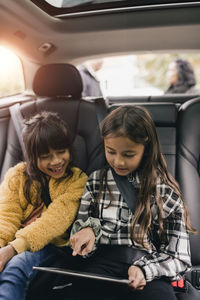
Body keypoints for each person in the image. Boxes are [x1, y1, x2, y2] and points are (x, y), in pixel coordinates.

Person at [68, 105, 196, 300]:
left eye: (128, 155)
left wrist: (144, 269)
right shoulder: (96, 182)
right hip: (103, 265)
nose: (118, 162)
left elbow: (178, 256)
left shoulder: (164, 193)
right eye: (111, 151)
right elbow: (80, 244)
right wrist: (86, 234)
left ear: (146, 150)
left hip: (151, 267)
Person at [0, 111, 87, 300]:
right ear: (32, 157)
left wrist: (11, 249)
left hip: (52, 245)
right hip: (15, 241)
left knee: (15, 269)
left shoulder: (76, 180)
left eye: (61, 152)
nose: (56, 161)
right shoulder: (17, 176)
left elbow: (54, 222)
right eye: (46, 156)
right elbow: (6, 218)